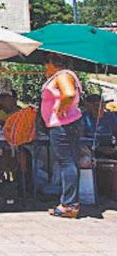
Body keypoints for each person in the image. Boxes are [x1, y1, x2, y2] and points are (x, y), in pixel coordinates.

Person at [42, 54, 83, 218]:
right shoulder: (66, 75)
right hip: (69, 124)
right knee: (71, 161)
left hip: (62, 125)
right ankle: (72, 202)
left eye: (46, 63)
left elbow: (69, 94)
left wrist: (60, 108)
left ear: (53, 63)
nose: (45, 67)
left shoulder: (62, 75)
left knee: (67, 162)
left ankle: (69, 205)